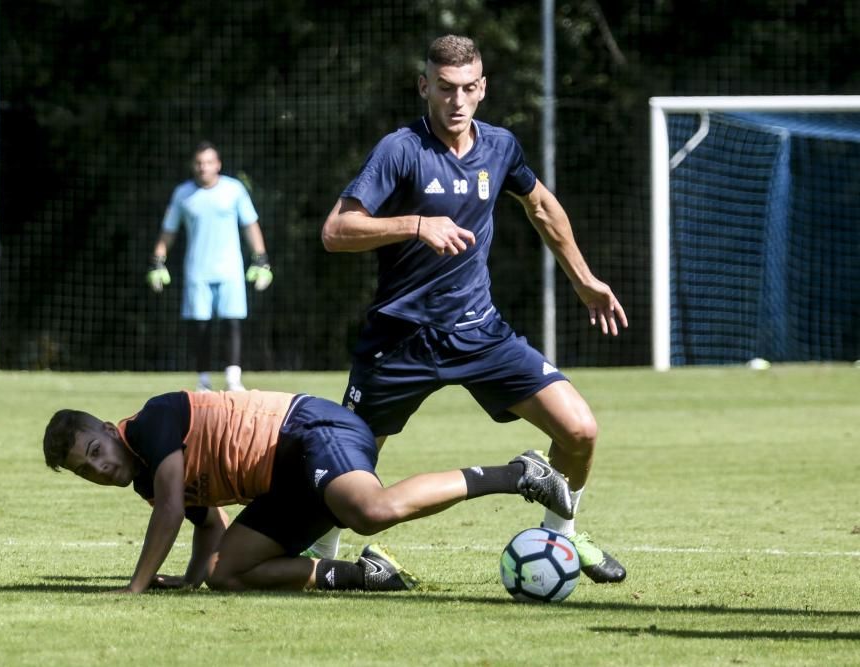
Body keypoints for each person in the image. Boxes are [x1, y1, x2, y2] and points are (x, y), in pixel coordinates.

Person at [320, 35, 629, 583]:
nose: (456, 101)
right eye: (444, 89)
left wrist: (583, 280)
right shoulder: (400, 150)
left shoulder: (501, 147)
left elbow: (540, 205)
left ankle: (559, 535)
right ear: (425, 87)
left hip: (480, 333)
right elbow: (336, 231)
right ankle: (320, 551)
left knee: (580, 430)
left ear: (482, 89)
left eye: (467, 89)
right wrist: (417, 224)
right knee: (349, 464)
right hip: (401, 341)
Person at [41, 389, 573, 593]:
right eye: (85, 471)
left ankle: (517, 473)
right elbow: (206, 523)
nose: (100, 469)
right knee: (227, 576)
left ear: (110, 431)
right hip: (283, 482)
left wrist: (133, 588)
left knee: (369, 510)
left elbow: (175, 509)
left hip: (308, 432)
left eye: (94, 453)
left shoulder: (152, 424)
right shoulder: (144, 478)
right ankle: (366, 576)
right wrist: (187, 582)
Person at [147, 141, 272, 392]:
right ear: (194, 166)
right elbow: (168, 231)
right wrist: (157, 260)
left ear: (218, 164)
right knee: (200, 326)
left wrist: (261, 258)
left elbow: (250, 224)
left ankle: (233, 379)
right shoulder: (183, 194)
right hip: (197, 271)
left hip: (230, 270)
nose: (203, 167)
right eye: (199, 163)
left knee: (232, 322)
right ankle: (203, 380)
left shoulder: (234, 190)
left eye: (208, 162)